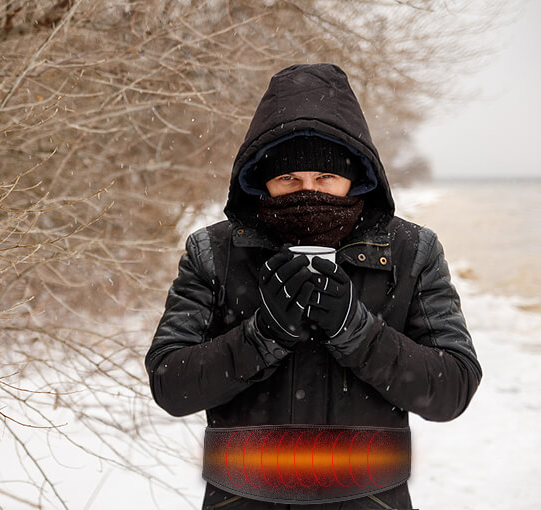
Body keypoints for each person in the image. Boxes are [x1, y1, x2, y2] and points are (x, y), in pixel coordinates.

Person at [145, 64, 481, 510]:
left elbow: (452, 388)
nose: (308, 191)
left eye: (325, 178)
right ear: (261, 179)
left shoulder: (411, 251)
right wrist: (263, 336)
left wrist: (357, 331)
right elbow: (171, 384)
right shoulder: (214, 251)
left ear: (356, 178)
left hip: (372, 501)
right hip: (240, 500)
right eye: (288, 179)